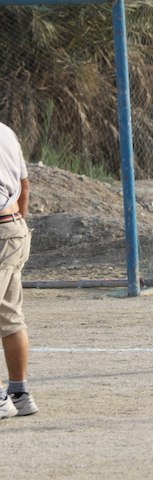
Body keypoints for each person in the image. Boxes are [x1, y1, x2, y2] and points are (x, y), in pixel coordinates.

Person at [0, 121, 37, 418]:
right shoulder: (6, 131)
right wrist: (17, 226)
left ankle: (1, 399)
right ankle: (19, 394)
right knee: (10, 318)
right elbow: (24, 186)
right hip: (14, 228)